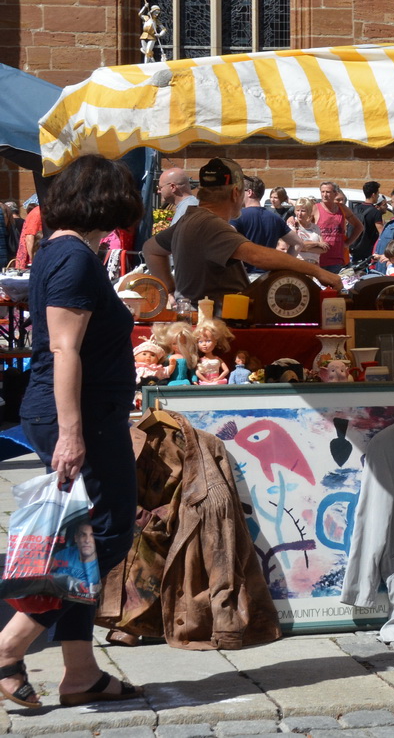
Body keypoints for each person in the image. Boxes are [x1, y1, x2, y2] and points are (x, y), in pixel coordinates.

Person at [0, 156, 145, 708]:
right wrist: (71, 433)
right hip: (80, 416)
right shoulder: (74, 258)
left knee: (80, 538)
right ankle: (9, 646)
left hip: (82, 412)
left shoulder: (60, 251)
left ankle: (81, 672)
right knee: (107, 533)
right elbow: (64, 349)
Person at [143, 159, 342, 302]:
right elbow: (256, 256)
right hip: (216, 324)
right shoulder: (210, 224)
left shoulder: (191, 219)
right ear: (235, 193)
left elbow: (150, 249)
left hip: (203, 318)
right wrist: (317, 271)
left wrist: (172, 290)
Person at [234, 176, 290, 272]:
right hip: (268, 276)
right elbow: (298, 243)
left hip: (245, 276)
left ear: (249, 192)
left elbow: (224, 241)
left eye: (241, 190)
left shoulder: (238, 216)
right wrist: (283, 265)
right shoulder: (275, 218)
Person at [313, 182, 363, 273]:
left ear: (335, 193)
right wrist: (292, 219)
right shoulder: (315, 208)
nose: (324, 195)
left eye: (328, 192)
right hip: (318, 258)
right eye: (322, 192)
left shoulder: (342, 208)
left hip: (336, 260)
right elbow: (303, 224)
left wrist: (347, 243)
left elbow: (359, 227)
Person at [280, 197, 327, 262]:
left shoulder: (316, 228)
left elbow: (324, 248)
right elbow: (294, 245)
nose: (299, 213)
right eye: (297, 210)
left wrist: (304, 247)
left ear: (309, 212)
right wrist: (317, 244)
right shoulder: (292, 225)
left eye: (303, 211)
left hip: (313, 264)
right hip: (298, 263)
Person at [348, 180, 384, 263]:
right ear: (373, 194)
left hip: (355, 248)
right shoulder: (375, 212)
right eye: (378, 194)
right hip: (368, 251)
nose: (378, 196)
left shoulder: (355, 208)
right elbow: (381, 233)